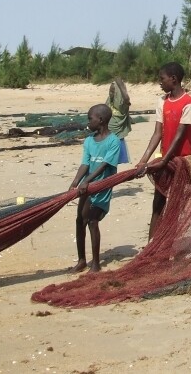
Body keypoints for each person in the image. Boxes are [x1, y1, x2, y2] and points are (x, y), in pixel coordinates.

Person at [135, 62, 191, 240]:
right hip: (164, 159)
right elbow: (157, 134)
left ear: (174, 79)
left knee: (175, 207)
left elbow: (179, 136)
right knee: (158, 203)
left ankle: (169, 247)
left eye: (162, 79)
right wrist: (144, 159)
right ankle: (151, 247)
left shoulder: (189, 103)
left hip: (180, 161)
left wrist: (164, 161)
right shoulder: (162, 101)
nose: (159, 83)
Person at [69, 104, 121, 273]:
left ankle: (96, 263)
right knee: (79, 220)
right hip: (87, 187)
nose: (88, 122)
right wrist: (76, 182)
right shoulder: (89, 140)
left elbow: (105, 165)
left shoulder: (114, 141)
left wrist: (88, 181)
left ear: (100, 120)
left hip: (102, 186)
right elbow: (85, 163)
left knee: (93, 221)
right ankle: (82, 260)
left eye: (90, 118)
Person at [105, 78, 132, 165]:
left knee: (113, 163)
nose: (111, 93)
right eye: (110, 91)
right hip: (106, 137)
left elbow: (126, 98)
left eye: (113, 91)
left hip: (117, 138)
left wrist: (120, 84)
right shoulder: (109, 101)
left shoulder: (122, 105)